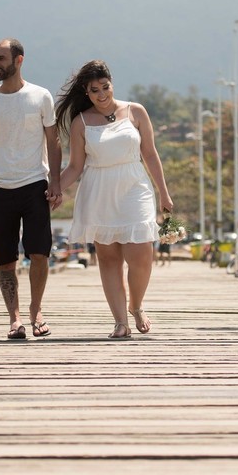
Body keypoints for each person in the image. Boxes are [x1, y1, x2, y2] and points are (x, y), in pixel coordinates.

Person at [55, 60, 173, 339]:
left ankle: (136, 305)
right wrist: (54, 188)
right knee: (108, 259)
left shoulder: (136, 111)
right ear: (87, 92)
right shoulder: (80, 122)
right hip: (99, 188)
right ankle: (121, 321)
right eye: (94, 90)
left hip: (135, 184)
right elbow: (74, 167)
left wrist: (164, 192)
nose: (101, 94)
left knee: (142, 253)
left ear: (112, 84)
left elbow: (150, 154)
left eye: (105, 87)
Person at [0, 39, 63, 340]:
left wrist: (55, 181)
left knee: (39, 252)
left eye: (1, 58)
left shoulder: (40, 96)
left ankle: (36, 312)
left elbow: (54, 140)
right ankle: (14, 319)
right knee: (6, 259)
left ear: (19, 60)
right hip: (0, 188)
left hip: (34, 185)